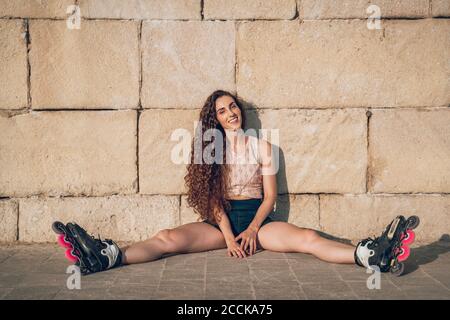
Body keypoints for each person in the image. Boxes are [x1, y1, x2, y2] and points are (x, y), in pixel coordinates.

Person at [53, 90, 417, 276]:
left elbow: (270, 197)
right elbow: (213, 199)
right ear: (215, 120)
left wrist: (254, 230)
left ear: (239, 109)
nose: (230, 113)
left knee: (307, 239)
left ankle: (370, 255)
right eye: (222, 111)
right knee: (167, 238)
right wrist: (228, 236)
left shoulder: (265, 146)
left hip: (258, 219)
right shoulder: (212, 148)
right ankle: (108, 256)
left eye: (232, 107)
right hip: (220, 219)